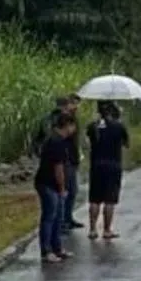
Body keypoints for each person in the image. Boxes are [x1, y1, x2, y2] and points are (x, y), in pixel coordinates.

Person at [34, 112, 77, 263]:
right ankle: (46, 251)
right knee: (49, 217)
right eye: (73, 126)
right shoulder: (56, 142)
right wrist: (62, 187)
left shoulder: (57, 140)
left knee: (58, 217)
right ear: (68, 125)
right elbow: (58, 168)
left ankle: (57, 248)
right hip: (48, 183)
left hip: (50, 183)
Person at [86, 101, 130, 239]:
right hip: (113, 165)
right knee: (109, 200)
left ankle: (92, 229)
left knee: (95, 199)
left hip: (96, 165)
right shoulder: (118, 126)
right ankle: (107, 229)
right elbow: (127, 144)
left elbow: (89, 141)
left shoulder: (93, 126)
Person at [60, 94, 84, 233]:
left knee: (73, 190)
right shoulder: (63, 120)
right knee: (66, 190)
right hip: (66, 159)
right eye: (74, 104)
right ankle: (62, 221)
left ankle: (68, 217)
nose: (76, 107)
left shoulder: (74, 118)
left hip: (73, 158)